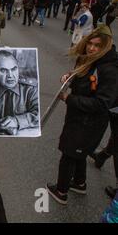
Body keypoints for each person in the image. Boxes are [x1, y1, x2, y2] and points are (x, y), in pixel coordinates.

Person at [46, 25, 118, 205]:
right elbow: (82, 77)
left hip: (90, 122)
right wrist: (68, 76)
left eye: (97, 46)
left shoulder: (109, 69)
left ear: (106, 46)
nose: (91, 48)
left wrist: (69, 98)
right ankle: (79, 183)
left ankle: (61, 191)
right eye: (90, 44)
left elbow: (102, 103)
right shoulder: (90, 60)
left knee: (69, 153)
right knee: (78, 152)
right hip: (79, 117)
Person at [0, 50, 39, 136]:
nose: (10, 75)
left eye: (14, 69)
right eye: (4, 70)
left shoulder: (30, 89)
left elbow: (39, 113)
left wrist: (17, 121)